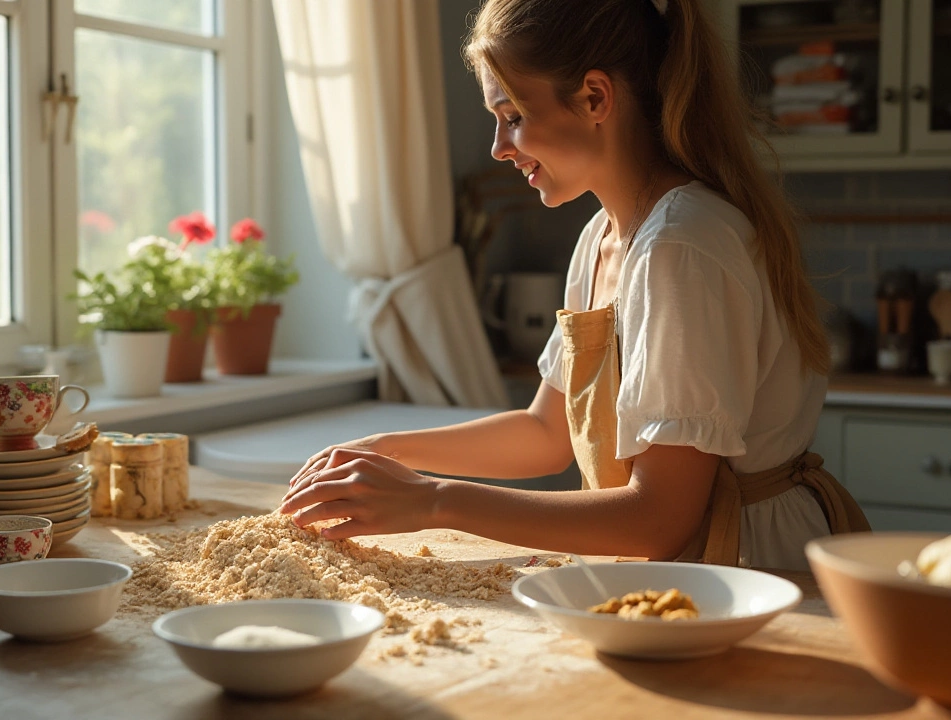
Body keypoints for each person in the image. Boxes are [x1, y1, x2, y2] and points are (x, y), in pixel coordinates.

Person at [279, 0, 869, 571]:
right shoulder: (601, 236)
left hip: (749, 566)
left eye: (513, 117)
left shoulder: (682, 245)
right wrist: (386, 450)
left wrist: (434, 501)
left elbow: (661, 518)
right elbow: (546, 432)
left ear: (594, 97)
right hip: (677, 565)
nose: (498, 148)